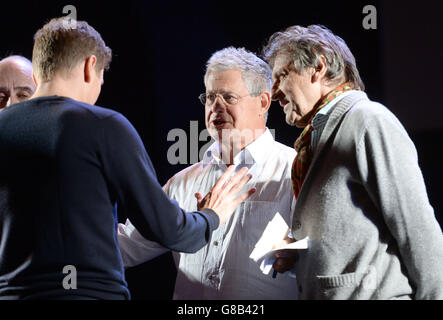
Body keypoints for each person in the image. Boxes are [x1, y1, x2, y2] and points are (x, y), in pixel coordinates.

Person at [0, 18, 255, 300]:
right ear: (89, 66)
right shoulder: (104, 125)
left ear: (36, 77)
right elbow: (167, 229)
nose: (98, 88)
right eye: (101, 77)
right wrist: (210, 216)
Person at [263, 24, 443, 299]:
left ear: (318, 66)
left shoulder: (367, 120)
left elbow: (418, 231)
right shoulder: (317, 138)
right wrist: (299, 255)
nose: (274, 93)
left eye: (281, 76)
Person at [118, 47, 299, 299]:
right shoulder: (181, 183)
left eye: (229, 97)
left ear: (263, 102)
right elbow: (125, 247)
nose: (216, 106)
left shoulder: (294, 170)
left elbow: (327, 254)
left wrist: (300, 253)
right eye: (210, 97)